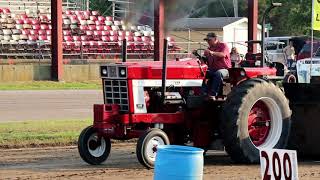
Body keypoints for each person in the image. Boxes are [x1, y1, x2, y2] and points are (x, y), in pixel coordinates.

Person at [201, 32, 231, 97]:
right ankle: (203, 92)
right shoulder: (209, 48)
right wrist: (200, 57)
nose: (208, 42)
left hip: (225, 69)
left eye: (209, 40)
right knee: (202, 72)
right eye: (207, 40)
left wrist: (212, 52)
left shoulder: (223, 45)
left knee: (218, 73)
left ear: (215, 39)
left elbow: (223, 54)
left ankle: (213, 94)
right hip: (213, 69)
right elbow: (204, 59)